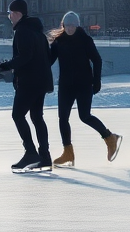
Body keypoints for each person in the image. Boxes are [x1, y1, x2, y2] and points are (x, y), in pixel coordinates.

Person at [47, 11, 122, 168]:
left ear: (77, 25)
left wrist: (96, 81)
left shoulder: (85, 40)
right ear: (63, 26)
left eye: (72, 25)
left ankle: (109, 138)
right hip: (66, 85)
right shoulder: (58, 42)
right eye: (67, 25)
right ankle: (68, 152)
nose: (69, 28)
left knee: (85, 116)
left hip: (84, 84)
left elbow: (97, 60)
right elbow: (48, 61)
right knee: (63, 118)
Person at [0, 0, 54, 173]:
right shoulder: (38, 33)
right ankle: (45, 157)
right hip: (41, 82)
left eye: (10, 13)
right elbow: (47, 58)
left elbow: (25, 56)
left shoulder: (22, 31)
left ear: (17, 14)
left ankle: (30, 152)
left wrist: (5, 66)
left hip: (29, 82)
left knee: (17, 115)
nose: (9, 17)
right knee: (36, 117)